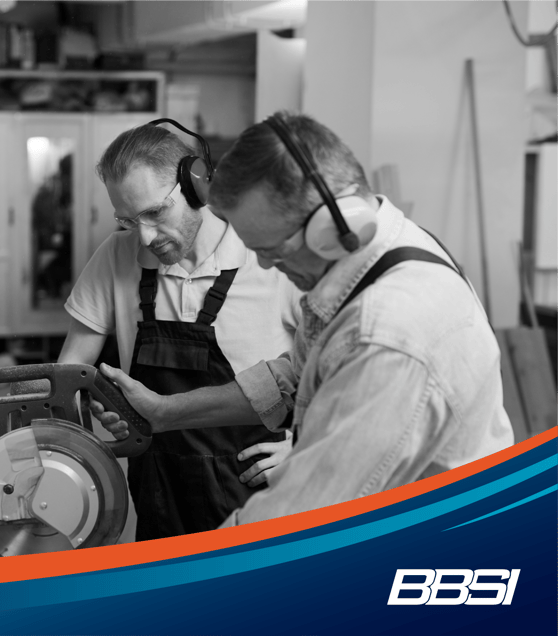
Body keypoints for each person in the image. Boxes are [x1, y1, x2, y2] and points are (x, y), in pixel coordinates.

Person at [94, 111, 515, 526]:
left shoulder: (388, 334)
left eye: (275, 250)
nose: (267, 264)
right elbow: (295, 375)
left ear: (334, 226)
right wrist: (167, 412)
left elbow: (305, 513)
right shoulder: (381, 251)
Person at [57, 121, 302, 540]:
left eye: (154, 212)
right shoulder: (117, 257)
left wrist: (304, 448)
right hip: (159, 494)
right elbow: (66, 374)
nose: (146, 236)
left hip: (259, 495)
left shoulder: (266, 259)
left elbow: (335, 371)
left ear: (196, 186)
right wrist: (108, 409)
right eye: (128, 220)